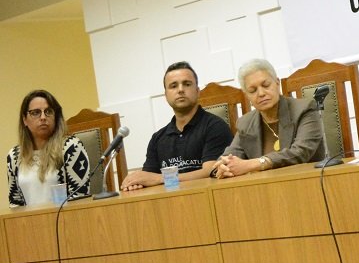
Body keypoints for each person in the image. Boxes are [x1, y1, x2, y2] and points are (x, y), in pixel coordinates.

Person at [121, 61, 231, 191]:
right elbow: (148, 177)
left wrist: (159, 179)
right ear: (166, 95)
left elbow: (211, 170)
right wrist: (136, 182)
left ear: (197, 91)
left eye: (187, 84)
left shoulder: (215, 127)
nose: (180, 90)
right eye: (173, 86)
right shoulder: (157, 139)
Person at [212, 58, 324, 178]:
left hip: (307, 182)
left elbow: (300, 152)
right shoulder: (245, 123)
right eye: (252, 90)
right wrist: (223, 166)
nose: (261, 93)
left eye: (266, 85)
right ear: (247, 95)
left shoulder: (304, 109)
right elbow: (229, 155)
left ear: (277, 83)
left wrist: (255, 164)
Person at [7, 90, 90, 207]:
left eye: (48, 111)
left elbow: (80, 199)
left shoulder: (71, 147)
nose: (43, 117)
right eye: (35, 112)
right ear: (24, 119)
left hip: (65, 222)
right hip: (28, 223)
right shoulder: (14, 156)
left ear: (56, 117)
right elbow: (15, 204)